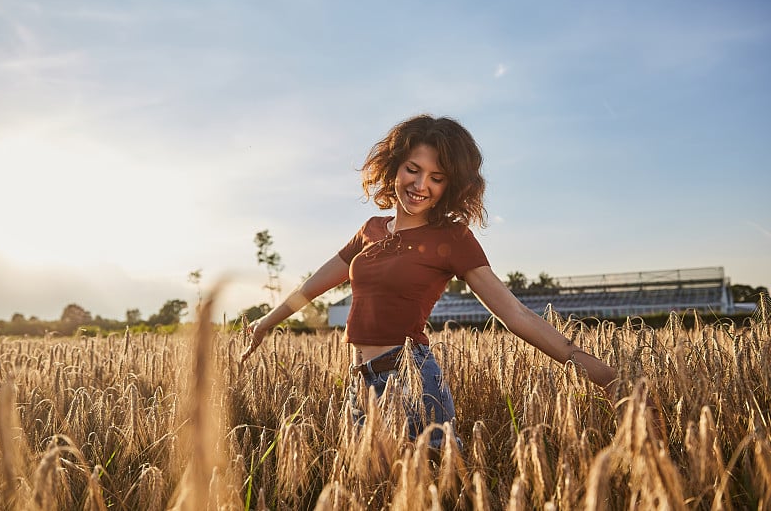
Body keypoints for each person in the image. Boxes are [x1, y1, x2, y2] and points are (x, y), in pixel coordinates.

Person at [240, 114, 618, 448]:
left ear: (450, 187)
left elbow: (515, 313)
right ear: (393, 167)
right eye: (412, 169)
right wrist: (266, 322)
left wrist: (601, 375)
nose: (421, 185)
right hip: (359, 383)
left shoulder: (452, 238)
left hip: (411, 381)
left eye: (437, 178)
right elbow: (313, 286)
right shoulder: (370, 230)